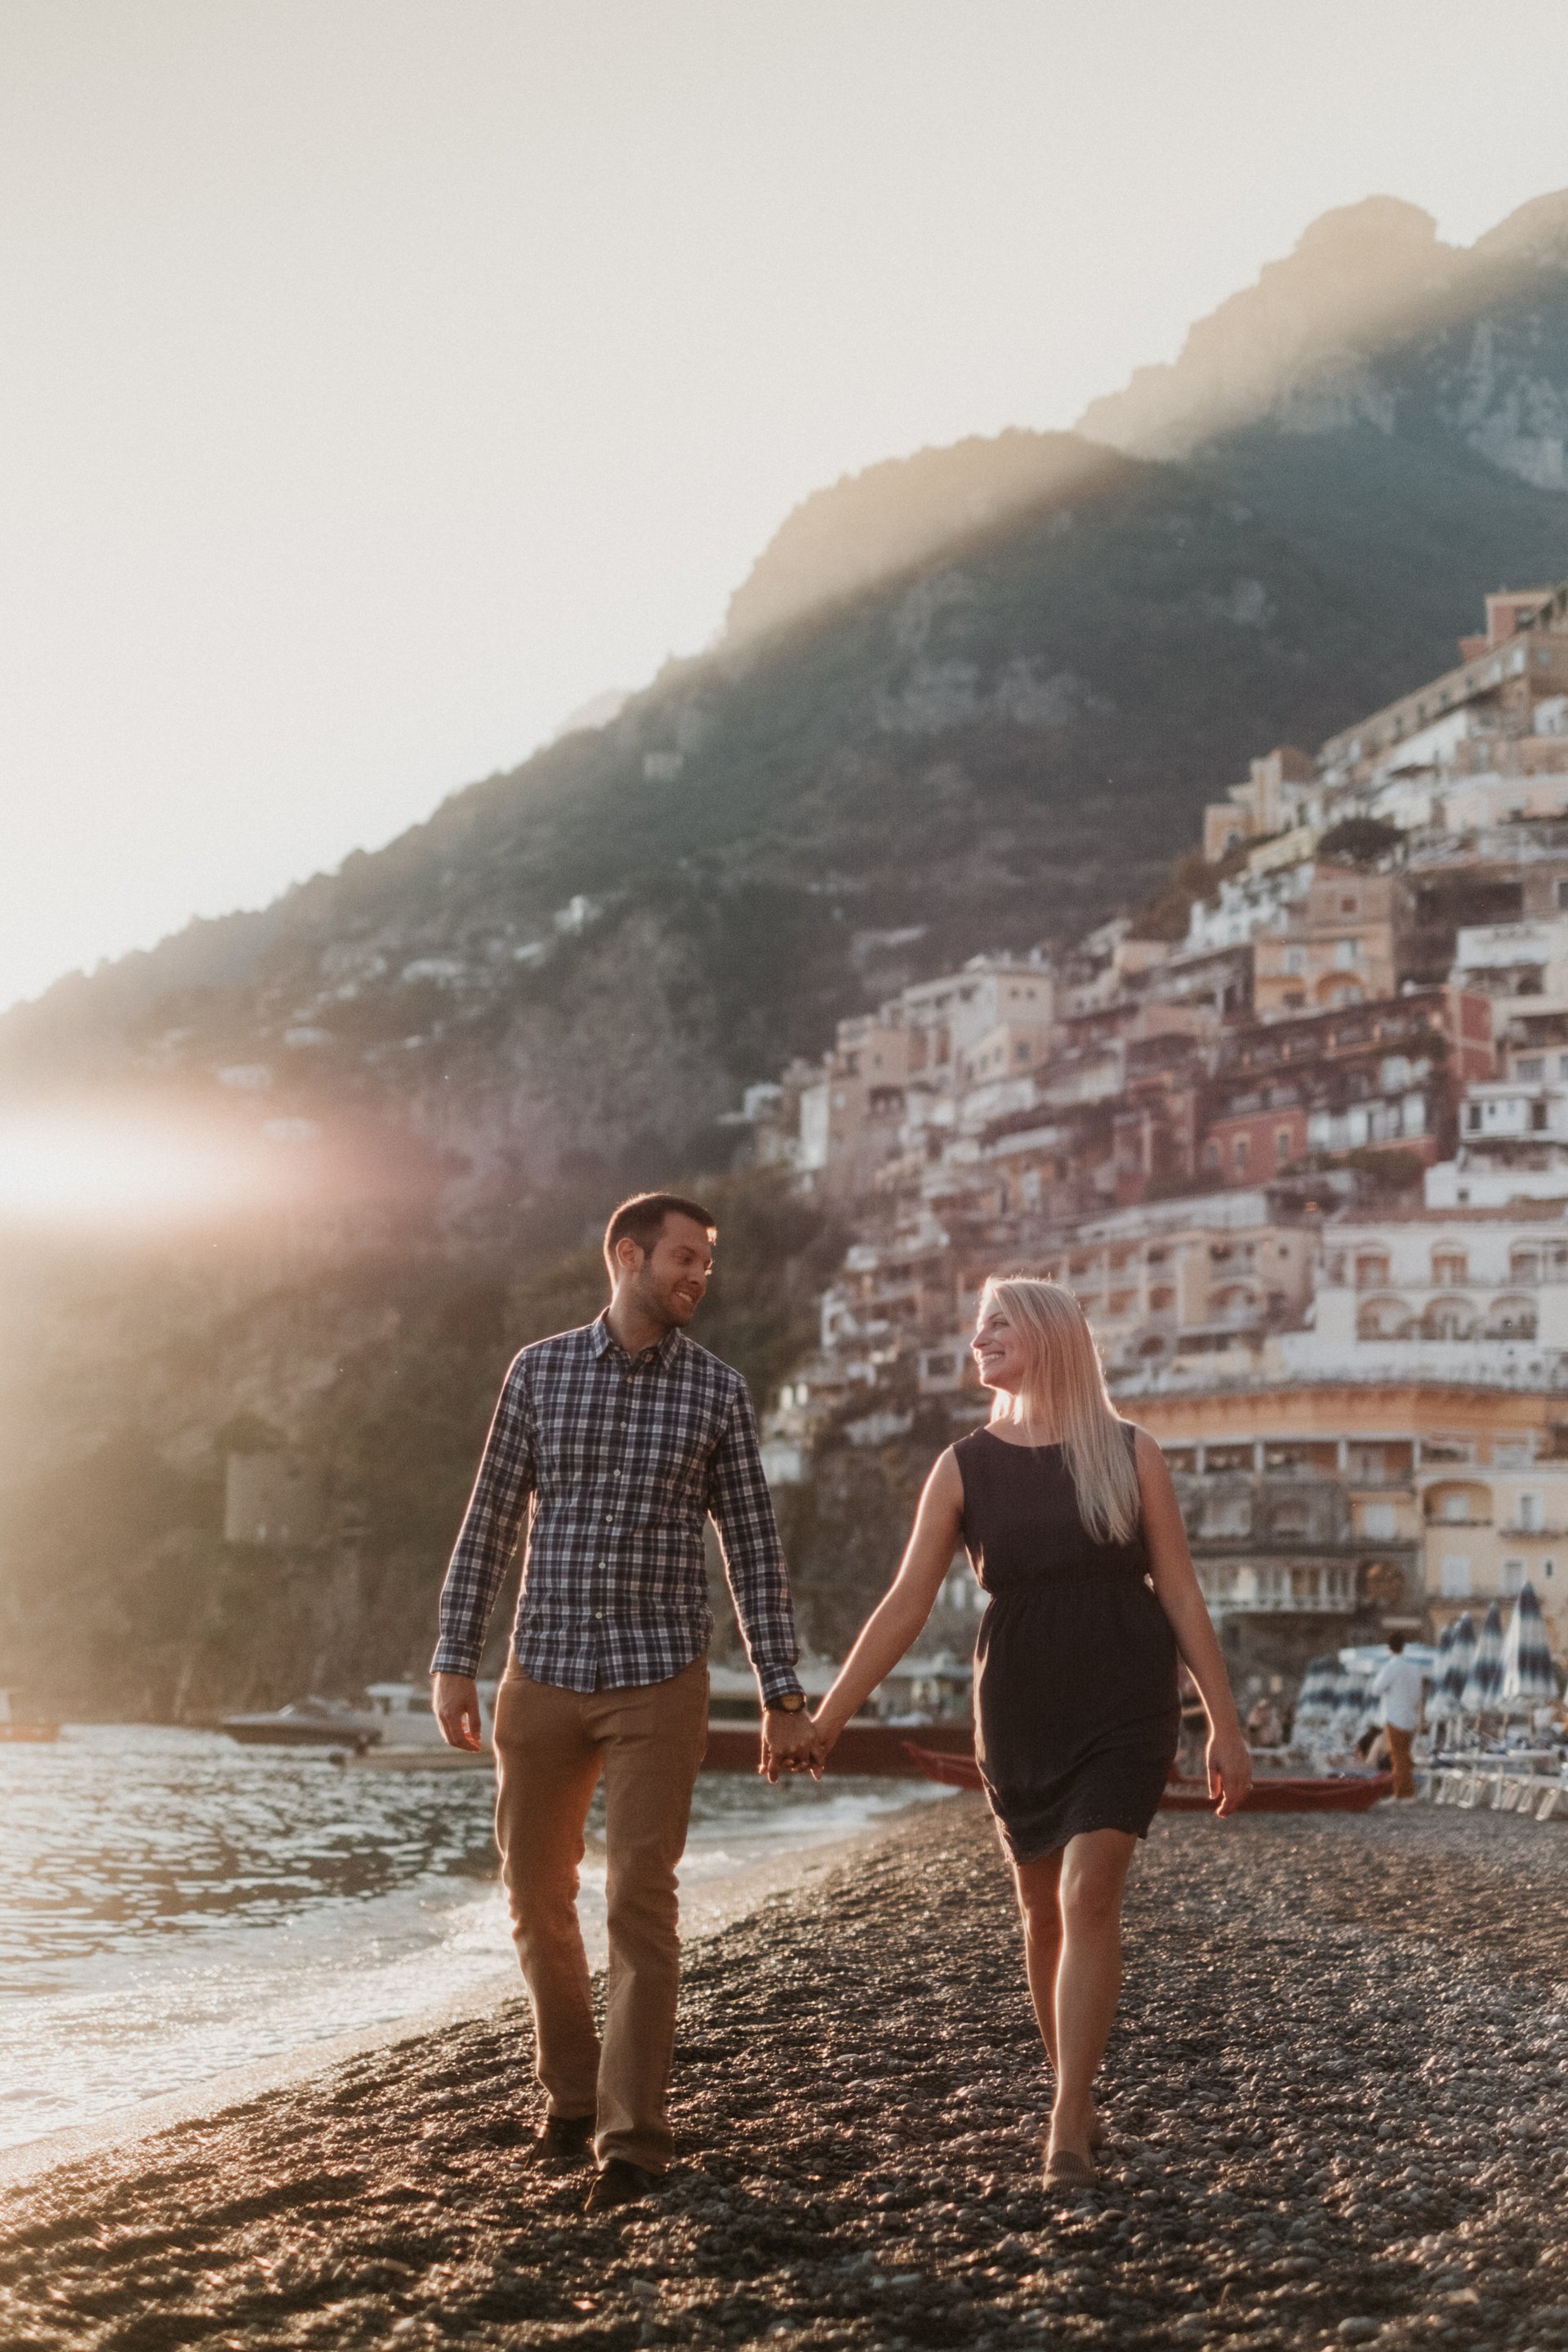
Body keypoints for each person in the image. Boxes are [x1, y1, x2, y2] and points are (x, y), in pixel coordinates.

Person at [804, 1276, 1251, 2188]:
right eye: (978, 1326)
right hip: (1019, 1702)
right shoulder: (963, 1465)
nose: (980, 1340)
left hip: (1127, 1696)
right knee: (1042, 1907)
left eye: (998, 1324)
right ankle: (1076, 2092)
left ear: (1049, 1335)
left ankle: (1065, 2120)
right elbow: (905, 1603)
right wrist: (828, 1715)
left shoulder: (1132, 1454)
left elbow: (1183, 1592)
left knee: (1090, 1896)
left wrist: (1226, 1726)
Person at [430, 1192, 817, 2212]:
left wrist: (781, 1692)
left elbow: (753, 1553)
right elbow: (487, 1528)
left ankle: (632, 2143)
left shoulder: (719, 1393)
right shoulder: (539, 1372)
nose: (700, 1275)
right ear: (627, 1255)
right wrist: (452, 1658)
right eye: (685, 1257)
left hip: (659, 1677)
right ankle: (569, 2095)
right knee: (533, 1894)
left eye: (707, 1262)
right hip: (542, 1670)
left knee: (639, 1900)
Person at [1369, 1633, 1423, 1800]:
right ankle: (1405, 1790)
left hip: (1395, 1716)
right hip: (1409, 1716)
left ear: (1389, 1648)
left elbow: (1376, 1688)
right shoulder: (1413, 1668)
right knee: (1405, 1755)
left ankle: (1403, 1793)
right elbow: (1417, 1694)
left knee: (1398, 1756)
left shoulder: (1392, 1666)